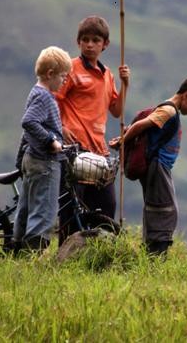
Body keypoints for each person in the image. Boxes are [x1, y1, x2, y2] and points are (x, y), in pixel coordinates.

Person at [109, 76, 187, 256]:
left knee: (158, 207)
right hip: (157, 167)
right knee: (164, 210)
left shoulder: (167, 110)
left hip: (160, 167)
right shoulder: (169, 111)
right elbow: (142, 124)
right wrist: (124, 141)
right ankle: (155, 254)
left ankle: (152, 250)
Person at [55, 15, 130, 244]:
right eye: (85, 40)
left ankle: (100, 254)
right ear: (78, 42)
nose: (90, 44)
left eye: (95, 40)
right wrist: (62, 126)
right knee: (72, 207)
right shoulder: (70, 69)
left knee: (106, 207)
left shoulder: (107, 75)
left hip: (98, 152)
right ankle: (65, 256)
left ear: (104, 44)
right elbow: (54, 98)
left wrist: (125, 84)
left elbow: (116, 111)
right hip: (74, 149)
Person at [13, 46, 72, 252]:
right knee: (44, 210)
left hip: (32, 158)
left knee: (26, 207)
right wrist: (51, 141)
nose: (65, 81)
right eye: (63, 76)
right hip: (45, 162)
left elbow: (27, 131)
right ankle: (33, 254)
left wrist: (20, 157)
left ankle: (17, 247)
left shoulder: (35, 92)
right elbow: (29, 122)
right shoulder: (45, 97)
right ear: (50, 74)